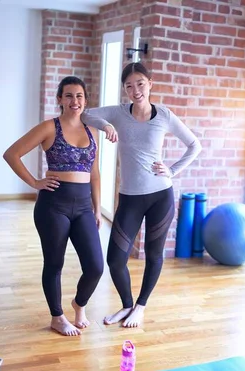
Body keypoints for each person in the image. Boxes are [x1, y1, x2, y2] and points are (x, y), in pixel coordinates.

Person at [81, 62, 202, 328]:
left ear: (150, 83)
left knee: (153, 254)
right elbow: (85, 114)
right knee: (115, 260)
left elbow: (195, 145)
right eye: (129, 86)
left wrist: (171, 170)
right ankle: (126, 305)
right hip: (130, 199)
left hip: (160, 195)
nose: (135, 90)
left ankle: (141, 306)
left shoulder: (165, 115)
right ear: (125, 89)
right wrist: (106, 126)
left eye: (140, 84)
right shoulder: (119, 113)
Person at [3, 76, 115, 336]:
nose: (74, 101)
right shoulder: (49, 127)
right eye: (68, 96)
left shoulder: (92, 130)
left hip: (84, 206)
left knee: (96, 266)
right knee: (54, 263)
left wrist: (97, 209)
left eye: (79, 96)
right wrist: (35, 182)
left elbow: (95, 174)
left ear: (85, 100)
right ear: (60, 100)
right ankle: (57, 316)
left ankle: (79, 304)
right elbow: (12, 154)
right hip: (53, 205)